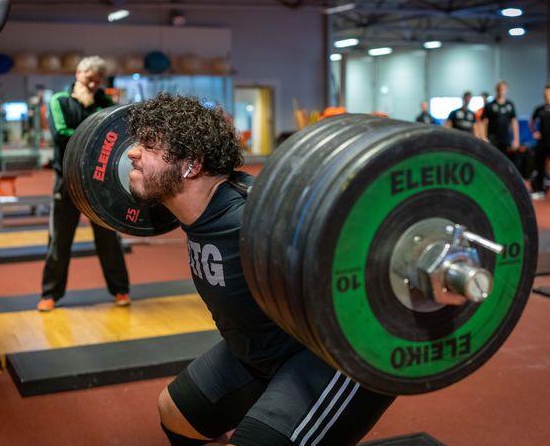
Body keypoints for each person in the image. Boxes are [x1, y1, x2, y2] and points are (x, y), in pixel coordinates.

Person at [126, 93, 395, 446]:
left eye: (148, 146)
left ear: (190, 166)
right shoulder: (194, 208)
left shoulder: (254, 218)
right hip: (258, 349)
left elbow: (363, 255)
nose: (132, 152)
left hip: (331, 355)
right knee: (175, 414)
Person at [37, 56, 130, 311]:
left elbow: (115, 131)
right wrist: (95, 135)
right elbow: (59, 135)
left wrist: (91, 135)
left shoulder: (103, 101)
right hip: (67, 181)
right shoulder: (59, 100)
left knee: (109, 239)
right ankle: (50, 294)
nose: (93, 85)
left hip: (99, 183)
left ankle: (120, 290)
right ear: (79, 73)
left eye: (98, 81)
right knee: (59, 240)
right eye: (90, 79)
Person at [482, 80, 520, 161]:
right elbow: (483, 122)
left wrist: (516, 139)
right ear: (496, 90)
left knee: (506, 161)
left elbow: (514, 122)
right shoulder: (490, 105)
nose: (501, 91)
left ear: (506, 90)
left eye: (503, 89)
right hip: (493, 139)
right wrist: (483, 137)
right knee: (492, 160)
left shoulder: (510, 105)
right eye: (499, 89)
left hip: (506, 139)